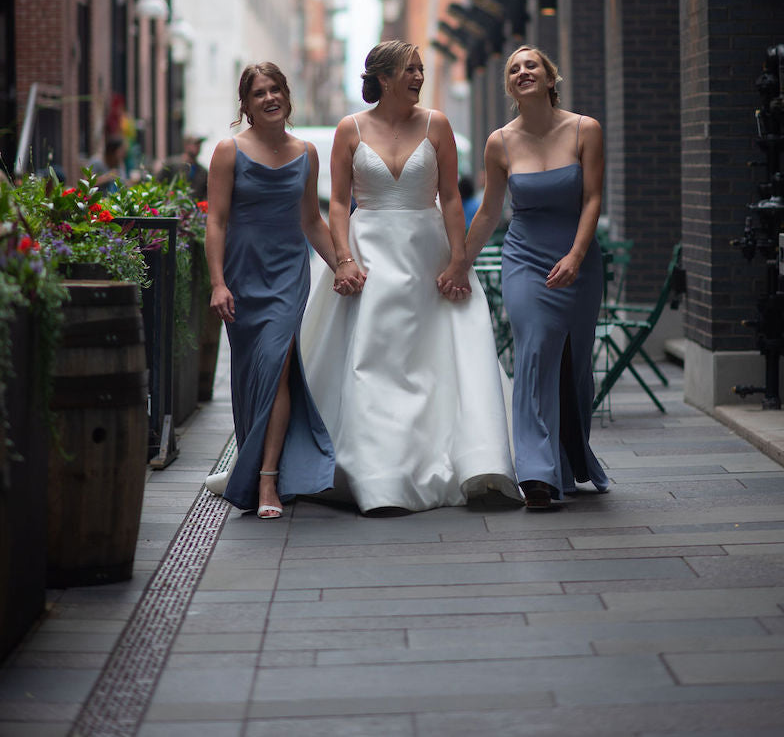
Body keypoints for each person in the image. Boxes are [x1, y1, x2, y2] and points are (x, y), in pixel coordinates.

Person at [300, 40, 519, 514]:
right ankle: (376, 473)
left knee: (433, 360)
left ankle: (454, 458)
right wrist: (343, 259)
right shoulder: (349, 129)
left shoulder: (437, 124)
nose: (419, 77)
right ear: (383, 78)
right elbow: (338, 203)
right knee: (371, 360)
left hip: (427, 253)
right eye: (410, 70)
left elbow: (452, 198)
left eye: (421, 69)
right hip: (368, 253)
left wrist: (459, 260)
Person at [465, 46, 609, 510]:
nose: (522, 71)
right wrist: (459, 262)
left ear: (551, 79)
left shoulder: (585, 129)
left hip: (579, 258)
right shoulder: (499, 143)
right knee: (534, 352)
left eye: (531, 66)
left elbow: (592, 199)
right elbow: (489, 212)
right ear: (510, 86)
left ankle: (568, 457)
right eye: (513, 68)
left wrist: (576, 255)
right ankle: (537, 473)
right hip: (525, 259)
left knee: (576, 366)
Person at [204, 62, 338, 519]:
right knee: (251, 375)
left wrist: (342, 264)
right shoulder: (228, 152)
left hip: (287, 275)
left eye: (275, 88)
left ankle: (267, 481)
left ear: (287, 95)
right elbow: (216, 221)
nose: (269, 98)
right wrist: (218, 282)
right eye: (258, 93)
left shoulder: (306, 153)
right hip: (242, 277)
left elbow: (311, 221)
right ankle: (255, 463)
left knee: (277, 365)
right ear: (246, 105)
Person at [159, 133, 209, 200]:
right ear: (186, 145)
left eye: (199, 144)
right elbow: (159, 185)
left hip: (195, 208)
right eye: (195, 144)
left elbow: (205, 194)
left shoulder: (203, 172)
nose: (198, 147)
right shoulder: (171, 165)